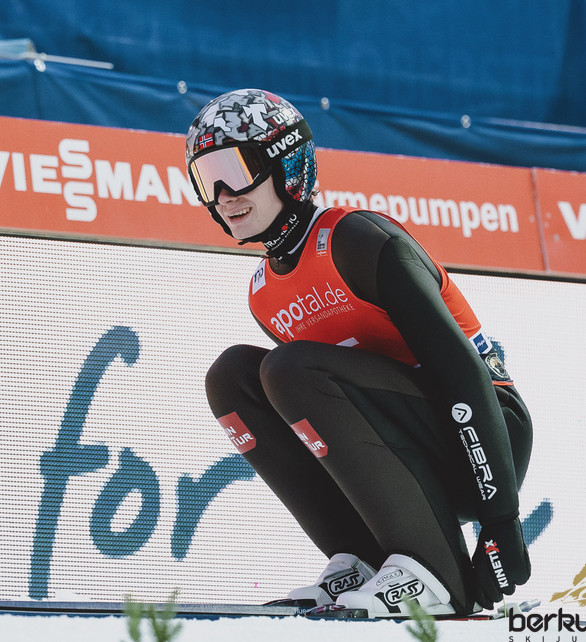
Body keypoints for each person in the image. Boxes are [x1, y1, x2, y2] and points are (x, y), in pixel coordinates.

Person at [185, 89, 533, 617]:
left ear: (287, 165)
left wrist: (500, 521)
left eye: (234, 171)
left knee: (289, 370)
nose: (223, 195)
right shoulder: (263, 293)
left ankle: (438, 579)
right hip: (405, 441)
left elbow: (464, 373)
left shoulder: (356, 239)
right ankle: (365, 559)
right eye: (205, 179)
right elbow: (330, 421)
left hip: (487, 433)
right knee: (233, 378)